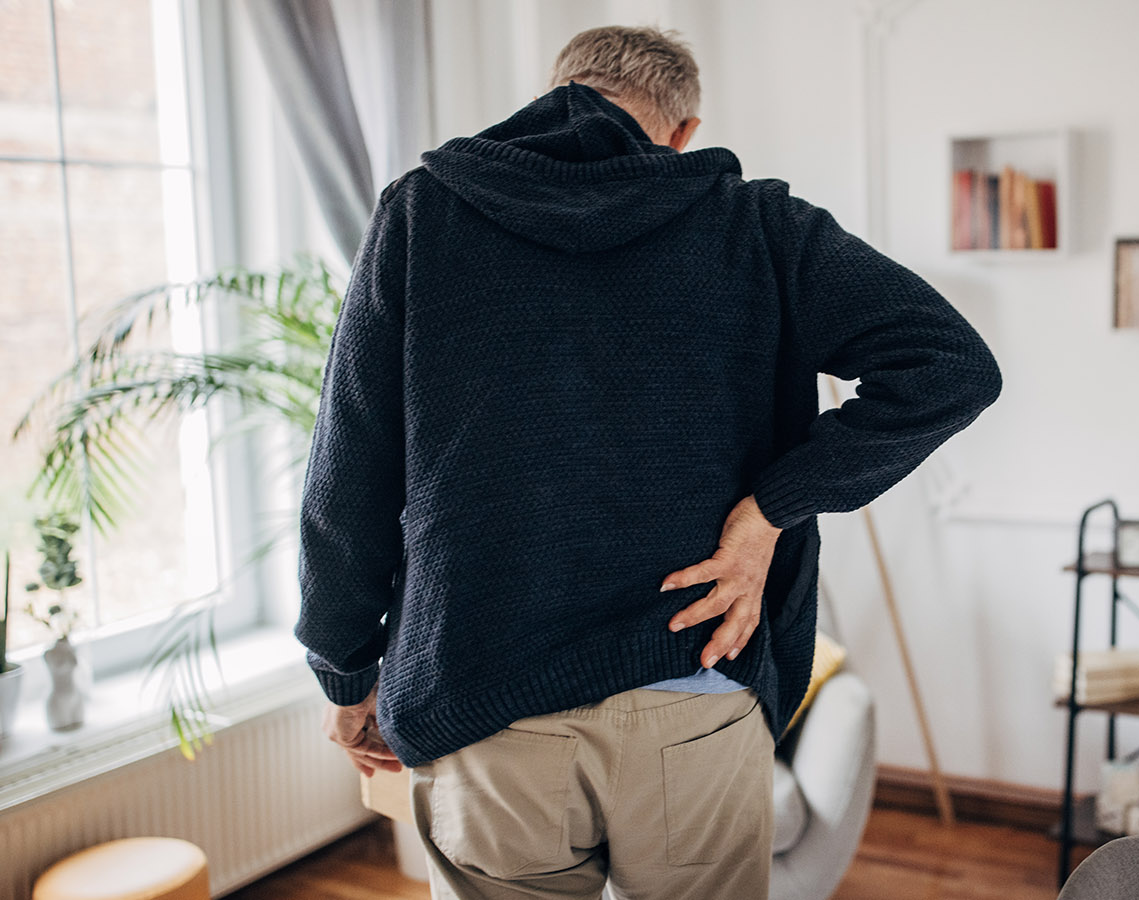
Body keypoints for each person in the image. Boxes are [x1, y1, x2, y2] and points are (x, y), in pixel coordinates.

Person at [294, 23, 1002, 900]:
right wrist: (769, 512)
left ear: (556, 97)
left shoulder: (419, 215)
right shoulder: (754, 224)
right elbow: (951, 367)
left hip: (485, 701)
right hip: (693, 697)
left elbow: (348, 477)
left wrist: (344, 668)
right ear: (680, 132)